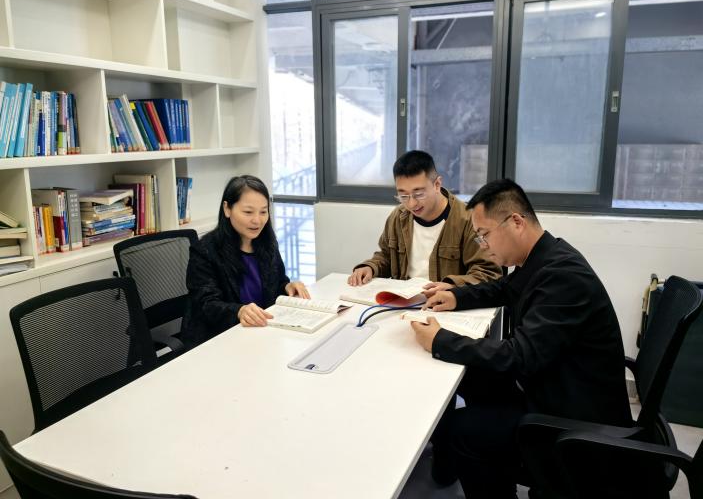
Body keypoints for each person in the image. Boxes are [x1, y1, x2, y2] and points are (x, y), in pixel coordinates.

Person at [410, 178, 631, 499]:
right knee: (472, 378)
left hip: (572, 417)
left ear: (516, 222)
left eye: (484, 235)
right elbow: (505, 288)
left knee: (463, 430)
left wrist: (440, 340)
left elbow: (520, 355)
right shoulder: (545, 256)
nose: (482, 246)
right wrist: (457, 295)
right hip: (553, 383)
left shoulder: (563, 277)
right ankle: (458, 463)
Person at [182, 175, 309, 348]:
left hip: (261, 334)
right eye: (248, 212)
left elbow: (277, 282)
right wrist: (239, 311)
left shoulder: (267, 243)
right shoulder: (205, 250)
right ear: (227, 209)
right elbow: (206, 304)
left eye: (263, 211)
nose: (257, 220)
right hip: (218, 340)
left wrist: (287, 287)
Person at [347, 150, 500, 289]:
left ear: (437, 184)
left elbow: (487, 272)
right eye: (403, 196)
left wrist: (451, 286)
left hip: (445, 303)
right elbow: (386, 256)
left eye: (419, 194)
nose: (411, 204)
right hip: (403, 301)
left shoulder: (468, 221)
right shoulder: (398, 217)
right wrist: (370, 267)